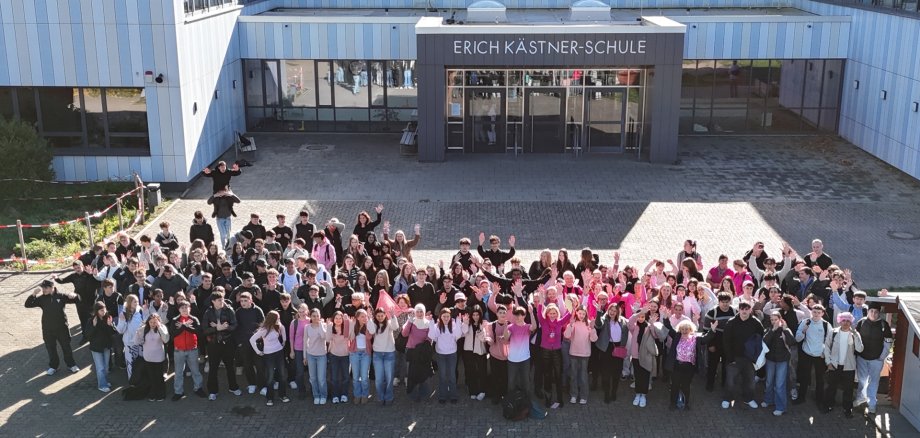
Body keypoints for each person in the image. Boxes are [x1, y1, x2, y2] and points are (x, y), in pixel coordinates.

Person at [660, 310, 716, 411]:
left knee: (686, 386)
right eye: (683, 329)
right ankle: (673, 403)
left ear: (691, 329)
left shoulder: (696, 338)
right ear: (680, 329)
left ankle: (686, 404)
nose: (685, 330)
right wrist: (665, 318)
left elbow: (706, 338)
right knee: (675, 385)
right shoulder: (677, 336)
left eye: (687, 329)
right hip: (677, 365)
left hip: (689, 367)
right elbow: (668, 327)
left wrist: (712, 330)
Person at [720, 302, 764, 410]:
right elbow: (726, 341)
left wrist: (756, 358)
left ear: (750, 310)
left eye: (746, 309)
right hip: (734, 358)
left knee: (750, 381)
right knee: (730, 381)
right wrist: (730, 358)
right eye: (742, 309)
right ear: (738, 310)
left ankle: (748, 399)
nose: (744, 311)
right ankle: (727, 398)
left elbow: (760, 341)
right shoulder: (731, 323)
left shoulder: (756, 323)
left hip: (750, 359)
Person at [854, 302, 893, 415]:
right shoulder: (861, 322)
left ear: (879, 313)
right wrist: (857, 354)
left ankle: (872, 404)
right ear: (868, 311)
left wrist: (881, 357)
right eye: (872, 311)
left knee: (874, 382)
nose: (874, 314)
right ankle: (860, 398)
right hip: (862, 358)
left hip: (877, 359)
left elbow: (888, 342)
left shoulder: (884, 325)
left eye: (876, 312)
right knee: (862, 380)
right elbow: (856, 338)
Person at [823, 312, 864, 418]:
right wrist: (828, 362)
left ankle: (847, 408)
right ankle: (828, 405)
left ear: (851, 322)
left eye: (848, 321)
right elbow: (826, 348)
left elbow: (860, 349)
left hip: (849, 366)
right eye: (843, 320)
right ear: (840, 321)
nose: (845, 323)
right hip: (834, 365)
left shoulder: (854, 334)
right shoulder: (833, 332)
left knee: (848, 389)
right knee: (831, 387)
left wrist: (855, 334)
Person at [203, 290, 240, 400]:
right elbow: (204, 330)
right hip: (214, 344)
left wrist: (226, 327)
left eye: (223, 299)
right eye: (219, 300)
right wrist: (216, 328)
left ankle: (233, 387)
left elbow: (235, 325)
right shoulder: (208, 312)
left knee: (230, 366)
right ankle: (213, 391)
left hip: (227, 342)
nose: (222, 302)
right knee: (213, 368)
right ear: (213, 301)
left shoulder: (229, 310)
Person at [52, 261, 99, 344]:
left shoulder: (89, 273)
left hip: (91, 302)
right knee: (83, 320)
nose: (77, 269)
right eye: (75, 268)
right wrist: (56, 278)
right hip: (79, 301)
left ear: (83, 266)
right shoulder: (74, 276)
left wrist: (92, 274)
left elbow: (98, 283)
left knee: (92, 320)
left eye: (79, 267)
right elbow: (63, 280)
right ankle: (85, 336)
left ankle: (94, 337)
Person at [250, 310, 290, 406]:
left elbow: (283, 328)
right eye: (277, 319)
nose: (279, 320)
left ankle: (282, 395)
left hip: (279, 352)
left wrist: (284, 340)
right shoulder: (264, 329)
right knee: (270, 377)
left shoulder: (278, 325)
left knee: (282, 375)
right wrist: (258, 351)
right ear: (272, 319)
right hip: (269, 355)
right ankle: (270, 398)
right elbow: (252, 339)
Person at [794, 304, 831, 406]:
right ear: (811, 312)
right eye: (814, 312)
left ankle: (819, 399)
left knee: (820, 379)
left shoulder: (826, 325)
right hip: (807, 353)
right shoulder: (805, 322)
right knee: (804, 377)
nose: (816, 314)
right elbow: (797, 338)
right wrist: (803, 331)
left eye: (819, 313)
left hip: (820, 355)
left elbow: (829, 342)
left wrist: (825, 353)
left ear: (822, 313)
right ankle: (801, 397)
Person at [762, 310, 797, 416]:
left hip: (782, 360)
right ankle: (768, 400)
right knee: (768, 382)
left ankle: (781, 407)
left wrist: (785, 330)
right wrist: (773, 330)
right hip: (770, 360)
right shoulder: (768, 329)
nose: (774, 322)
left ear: (780, 319)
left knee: (780, 384)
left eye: (776, 319)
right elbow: (764, 341)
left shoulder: (786, 330)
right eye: (772, 320)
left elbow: (792, 342)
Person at [169, 301, 206, 400]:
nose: (184, 310)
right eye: (182, 308)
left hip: (192, 349)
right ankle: (178, 392)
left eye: (186, 308)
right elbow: (172, 335)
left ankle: (198, 388)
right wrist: (184, 327)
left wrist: (185, 327)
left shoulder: (194, 319)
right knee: (178, 372)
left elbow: (199, 332)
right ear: (179, 309)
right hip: (179, 350)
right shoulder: (175, 320)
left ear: (190, 308)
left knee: (195, 371)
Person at [627, 304, 662, 408]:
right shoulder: (634, 327)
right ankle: (638, 394)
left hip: (646, 355)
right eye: (639, 317)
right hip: (636, 355)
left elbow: (656, 335)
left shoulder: (648, 326)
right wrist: (639, 312)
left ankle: (644, 395)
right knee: (637, 376)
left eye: (643, 316)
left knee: (645, 376)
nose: (640, 318)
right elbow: (629, 322)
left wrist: (652, 324)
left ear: (645, 317)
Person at [702, 291, 736, 391]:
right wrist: (710, 345)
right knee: (712, 364)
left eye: (727, 302)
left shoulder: (734, 311)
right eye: (723, 302)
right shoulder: (712, 312)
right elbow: (706, 330)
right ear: (719, 302)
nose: (725, 304)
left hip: (729, 342)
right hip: (715, 340)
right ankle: (710, 384)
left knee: (727, 365)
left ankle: (725, 384)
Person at [595, 303, 628, 403]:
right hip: (607, 349)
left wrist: (623, 345)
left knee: (616, 373)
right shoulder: (605, 319)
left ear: (618, 312)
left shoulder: (622, 321)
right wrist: (598, 312)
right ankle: (607, 393)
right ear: (608, 310)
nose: (612, 312)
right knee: (606, 373)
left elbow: (625, 333)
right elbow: (598, 324)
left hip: (618, 348)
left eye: (615, 310)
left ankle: (614, 392)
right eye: (611, 310)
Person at [564, 306, 597, 405]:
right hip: (574, 353)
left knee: (583, 376)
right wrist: (570, 325)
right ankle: (574, 395)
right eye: (580, 313)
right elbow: (566, 335)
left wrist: (592, 328)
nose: (582, 315)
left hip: (585, 354)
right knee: (573, 375)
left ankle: (583, 396)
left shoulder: (589, 324)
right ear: (577, 313)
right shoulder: (573, 323)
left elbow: (594, 339)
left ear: (586, 314)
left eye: (583, 313)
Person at [429, 307, 462, 404]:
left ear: (450, 317)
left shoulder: (454, 325)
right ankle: (442, 396)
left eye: (448, 316)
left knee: (452, 375)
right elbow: (432, 336)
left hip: (452, 353)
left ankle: (453, 395)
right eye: (444, 316)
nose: (446, 318)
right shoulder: (436, 326)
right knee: (442, 376)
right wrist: (431, 323)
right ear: (440, 317)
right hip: (441, 354)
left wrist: (459, 322)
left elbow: (458, 335)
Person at [234, 292, 265, 395]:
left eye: (245, 301)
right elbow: (236, 328)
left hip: (257, 343)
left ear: (251, 300)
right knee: (247, 364)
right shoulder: (238, 312)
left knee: (259, 365)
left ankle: (262, 385)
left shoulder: (257, 310)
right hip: (244, 343)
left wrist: (259, 338)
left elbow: (263, 326)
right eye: (241, 301)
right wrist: (239, 342)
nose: (243, 303)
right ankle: (252, 384)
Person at [134, 313, 170, 401]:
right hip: (148, 358)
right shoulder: (144, 329)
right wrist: (137, 333)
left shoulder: (162, 327)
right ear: (148, 322)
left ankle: (161, 394)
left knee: (159, 377)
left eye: (155, 322)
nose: (153, 324)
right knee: (151, 377)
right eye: (151, 322)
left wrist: (160, 327)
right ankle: (152, 393)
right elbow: (136, 342)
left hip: (159, 357)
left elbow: (166, 339)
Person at [402, 304, 434, 402]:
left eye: (421, 312)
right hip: (411, 351)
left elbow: (430, 338)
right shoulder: (411, 321)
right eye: (418, 311)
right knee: (412, 374)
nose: (419, 314)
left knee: (424, 373)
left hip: (423, 352)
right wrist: (409, 322)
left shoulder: (428, 323)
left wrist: (422, 347)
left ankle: (424, 395)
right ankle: (413, 395)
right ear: (415, 312)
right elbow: (404, 334)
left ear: (424, 312)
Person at [369, 307, 399, 405]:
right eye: (378, 316)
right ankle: (380, 397)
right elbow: (371, 331)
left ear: (385, 315)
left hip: (389, 353)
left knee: (389, 378)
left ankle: (389, 397)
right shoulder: (374, 324)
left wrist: (393, 316)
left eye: (382, 315)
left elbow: (395, 327)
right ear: (375, 316)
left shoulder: (389, 323)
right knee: (379, 379)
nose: (380, 317)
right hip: (377, 354)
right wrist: (369, 318)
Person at [460, 305, 490, 401]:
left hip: (480, 351)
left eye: (477, 315)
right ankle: (473, 390)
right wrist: (464, 323)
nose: (475, 317)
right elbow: (463, 333)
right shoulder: (467, 323)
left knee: (482, 371)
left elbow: (483, 339)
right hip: (468, 350)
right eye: (473, 315)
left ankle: (482, 390)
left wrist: (481, 331)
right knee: (470, 371)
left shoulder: (483, 324)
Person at [85, 302, 116, 392]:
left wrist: (111, 325)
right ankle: (102, 385)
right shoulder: (91, 321)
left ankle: (104, 381)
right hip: (96, 348)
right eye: (101, 310)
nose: (104, 311)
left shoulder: (107, 318)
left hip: (106, 346)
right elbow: (88, 335)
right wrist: (94, 326)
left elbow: (113, 333)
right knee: (100, 368)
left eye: (104, 309)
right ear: (97, 311)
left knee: (106, 367)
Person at [116, 294, 146, 379]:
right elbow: (120, 330)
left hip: (140, 342)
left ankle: (141, 381)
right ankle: (132, 382)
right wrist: (122, 321)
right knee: (131, 364)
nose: (137, 303)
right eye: (134, 301)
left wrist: (146, 311)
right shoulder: (124, 313)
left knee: (141, 362)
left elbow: (145, 322)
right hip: (130, 343)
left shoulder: (140, 310)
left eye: (137, 301)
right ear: (129, 302)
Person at [302, 308, 328, 405]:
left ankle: (323, 395)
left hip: (321, 355)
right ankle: (316, 395)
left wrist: (321, 324)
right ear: (310, 316)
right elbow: (305, 342)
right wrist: (305, 356)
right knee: (313, 378)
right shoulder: (307, 327)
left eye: (317, 315)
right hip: (310, 355)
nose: (316, 318)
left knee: (321, 378)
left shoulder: (324, 325)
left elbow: (323, 337)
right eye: (314, 316)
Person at [348, 309, 373, 404]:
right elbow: (350, 337)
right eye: (362, 316)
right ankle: (357, 394)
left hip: (365, 354)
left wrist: (367, 323)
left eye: (365, 316)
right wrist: (352, 326)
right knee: (355, 377)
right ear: (357, 317)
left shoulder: (368, 325)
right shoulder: (353, 325)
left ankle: (365, 394)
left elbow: (370, 337)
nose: (364, 318)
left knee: (364, 377)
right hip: (354, 353)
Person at [327, 311, 351, 403]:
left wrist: (347, 321)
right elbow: (327, 339)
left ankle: (344, 394)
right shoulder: (331, 327)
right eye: (336, 318)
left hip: (345, 355)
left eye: (340, 318)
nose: (338, 320)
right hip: (334, 355)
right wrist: (329, 327)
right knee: (334, 377)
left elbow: (349, 336)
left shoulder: (346, 327)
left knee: (346, 376)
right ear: (333, 319)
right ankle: (335, 395)